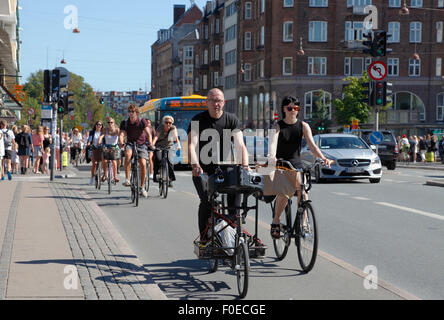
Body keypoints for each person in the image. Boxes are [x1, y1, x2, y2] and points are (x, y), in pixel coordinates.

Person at [188, 88, 250, 242]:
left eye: (219, 101)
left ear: (224, 102)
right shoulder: (198, 120)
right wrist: (195, 164)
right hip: (203, 169)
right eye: (213, 100)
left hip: (226, 167)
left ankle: (233, 233)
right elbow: (191, 145)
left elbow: (240, 144)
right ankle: (204, 238)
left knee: (236, 200)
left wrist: (245, 165)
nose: (216, 104)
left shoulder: (231, 119)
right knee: (206, 203)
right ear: (207, 103)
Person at [268, 96, 332, 239]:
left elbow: (312, 145)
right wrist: (272, 156)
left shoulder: (303, 126)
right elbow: (272, 143)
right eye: (289, 108)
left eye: (295, 108)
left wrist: (322, 158)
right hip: (281, 164)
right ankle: (276, 220)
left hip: (296, 164)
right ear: (284, 109)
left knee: (302, 190)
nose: (293, 111)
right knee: (284, 192)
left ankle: (303, 224)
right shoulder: (276, 126)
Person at [119, 104, 153, 198]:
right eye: (129, 111)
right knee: (128, 154)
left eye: (132, 111)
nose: (130, 113)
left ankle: (142, 188)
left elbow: (148, 133)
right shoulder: (125, 122)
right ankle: (127, 179)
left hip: (141, 144)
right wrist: (121, 142)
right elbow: (121, 134)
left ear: (137, 112)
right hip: (130, 143)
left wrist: (150, 142)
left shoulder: (142, 121)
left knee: (142, 163)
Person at [152, 115, 181, 188]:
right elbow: (156, 137)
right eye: (166, 122)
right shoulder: (160, 127)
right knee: (158, 159)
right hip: (159, 146)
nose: (168, 124)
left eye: (170, 123)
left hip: (169, 146)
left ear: (172, 123)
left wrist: (178, 145)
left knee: (170, 161)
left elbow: (176, 137)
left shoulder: (173, 128)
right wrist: (152, 144)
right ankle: (157, 174)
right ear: (163, 122)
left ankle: (170, 179)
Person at [99, 117, 120, 183]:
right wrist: (99, 141)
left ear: (114, 123)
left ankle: (115, 176)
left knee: (114, 161)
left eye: (111, 122)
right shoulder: (105, 130)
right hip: (107, 146)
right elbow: (102, 136)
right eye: (108, 122)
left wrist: (122, 142)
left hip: (114, 146)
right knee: (104, 161)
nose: (110, 124)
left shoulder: (117, 130)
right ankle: (105, 175)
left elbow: (121, 137)